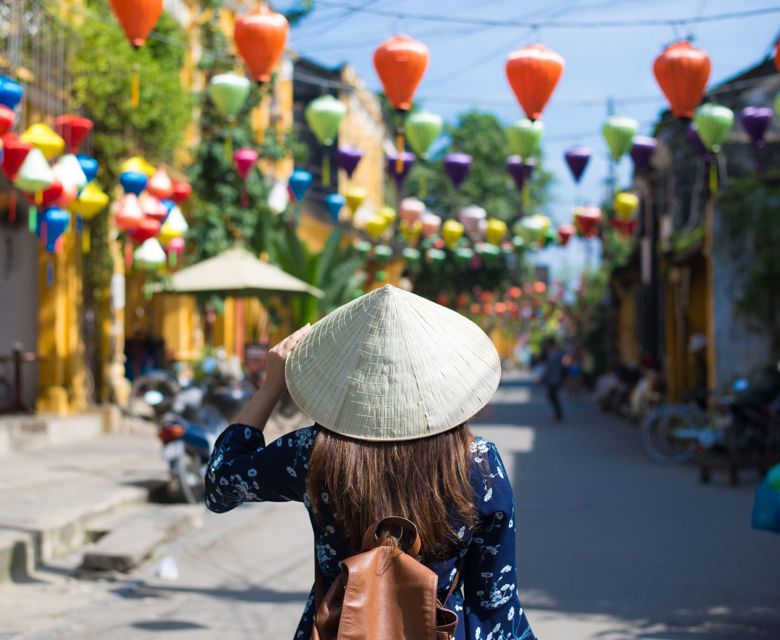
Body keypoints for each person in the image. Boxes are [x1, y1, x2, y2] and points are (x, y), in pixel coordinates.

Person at [205, 285, 537, 640]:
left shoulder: (311, 451)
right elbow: (495, 604)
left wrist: (271, 386)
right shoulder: (480, 464)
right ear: (441, 380)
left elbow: (221, 485)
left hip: (338, 629)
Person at [543, 337, 566, 421]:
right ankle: (558, 414)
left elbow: (549, 367)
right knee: (553, 396)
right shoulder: (558, 352)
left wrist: (543, 377)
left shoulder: (553, 354)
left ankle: (558, 415)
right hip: (556, 377)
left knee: (552, 396)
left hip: (554, 378)